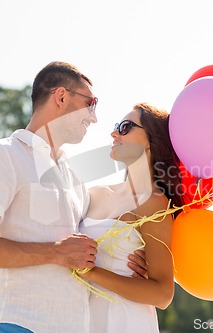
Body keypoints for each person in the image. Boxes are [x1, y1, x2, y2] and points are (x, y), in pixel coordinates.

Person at [0, 61, 147, 333]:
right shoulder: (2, 155)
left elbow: (87, 245)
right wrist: (56, 253)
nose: (94, 117)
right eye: (91, 104)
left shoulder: (75, 179)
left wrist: (131, 260)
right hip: (17, 324)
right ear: (62, 96)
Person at [78, 102, 185, 333]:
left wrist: (91, 272)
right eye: (117, 126)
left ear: (151, 141)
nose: (114, 133)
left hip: (125, 321)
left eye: (126, 127)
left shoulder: (154, 204)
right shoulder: (94, 194)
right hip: (82, 319)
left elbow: (163, 294)